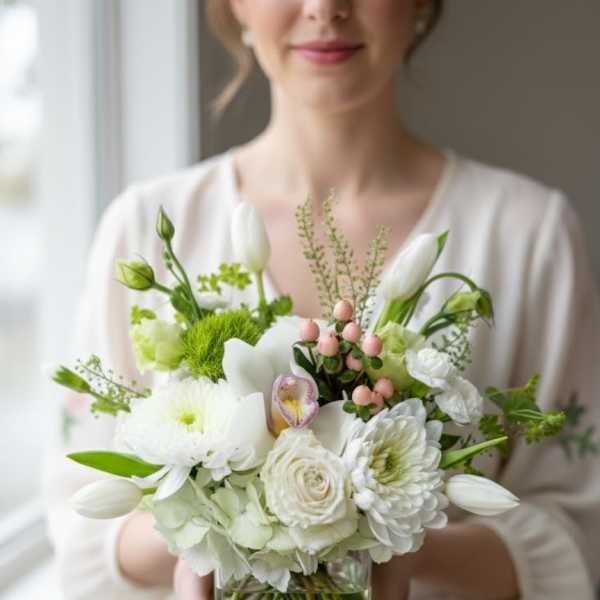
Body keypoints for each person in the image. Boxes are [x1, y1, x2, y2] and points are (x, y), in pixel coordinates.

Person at [44, 1, 600, 599]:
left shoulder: (526, 234)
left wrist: (399, 547)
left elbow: (578, 525)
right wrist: (207, 538)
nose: (325, 8)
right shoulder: (150, 229)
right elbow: (82, 525)